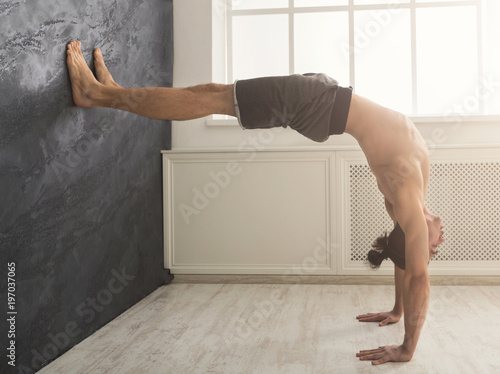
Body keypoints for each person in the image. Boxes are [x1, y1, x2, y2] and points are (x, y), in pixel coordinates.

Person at [66, 41, 445, 365]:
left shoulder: (407, 197)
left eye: (430, 249)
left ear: (414, 239)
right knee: (214, 93)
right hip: (324, 97)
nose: (439, 242)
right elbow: (406, 261)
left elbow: (417, 274)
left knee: (212, 98)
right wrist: (396, 311)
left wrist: (408, 347)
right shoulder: (410, 203)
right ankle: (115, 92)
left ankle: (99, 95)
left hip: (317, 103)